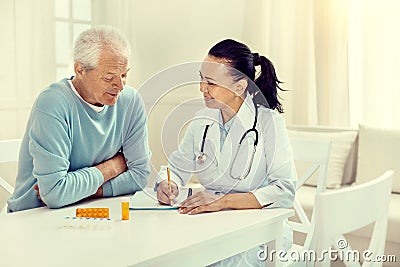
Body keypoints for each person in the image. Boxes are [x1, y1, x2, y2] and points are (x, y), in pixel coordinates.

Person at [156, 39, 296, 266]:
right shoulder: (202, 119)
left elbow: (284, 191)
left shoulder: (270, 124)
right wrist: (166, 184)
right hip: (210, 225)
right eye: (201, 79)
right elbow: (176, 168)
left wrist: (222, 201)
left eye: (210, 83)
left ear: (239, 86)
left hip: (258, 231)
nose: (202, 88)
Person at [7, 25, 151, 212]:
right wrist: (114, 166)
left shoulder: (130, 101)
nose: (120, 86)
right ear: (80, 70)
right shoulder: (52, 103)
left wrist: (82, 190)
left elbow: (140, 176)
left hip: (91, 210)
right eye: (109, 78)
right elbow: (55, 194)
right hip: (33, 216)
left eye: (124, 75)